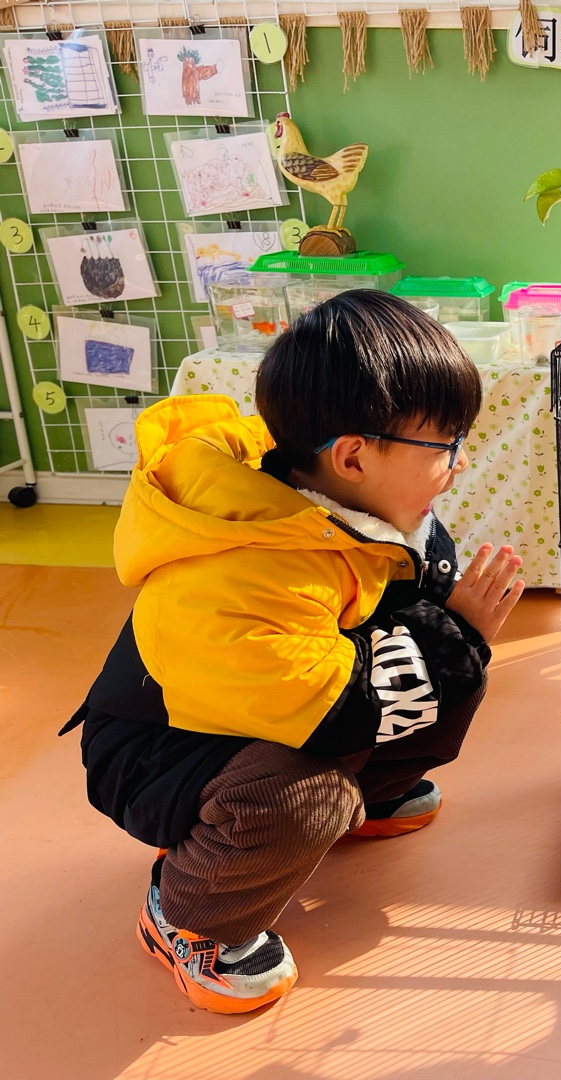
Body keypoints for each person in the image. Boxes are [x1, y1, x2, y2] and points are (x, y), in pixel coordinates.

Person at [64, 291, 525, 1012]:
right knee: (313, 793)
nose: (459, 464)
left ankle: (370, 796)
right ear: (353, 457)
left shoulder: (369, 514)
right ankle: (189, 914)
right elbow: (334, 709)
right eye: (445, 445)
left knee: (442, 658)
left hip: (270, 715)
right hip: (161, 752)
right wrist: (454, 641)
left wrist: (451, 639)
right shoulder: (242, 573)